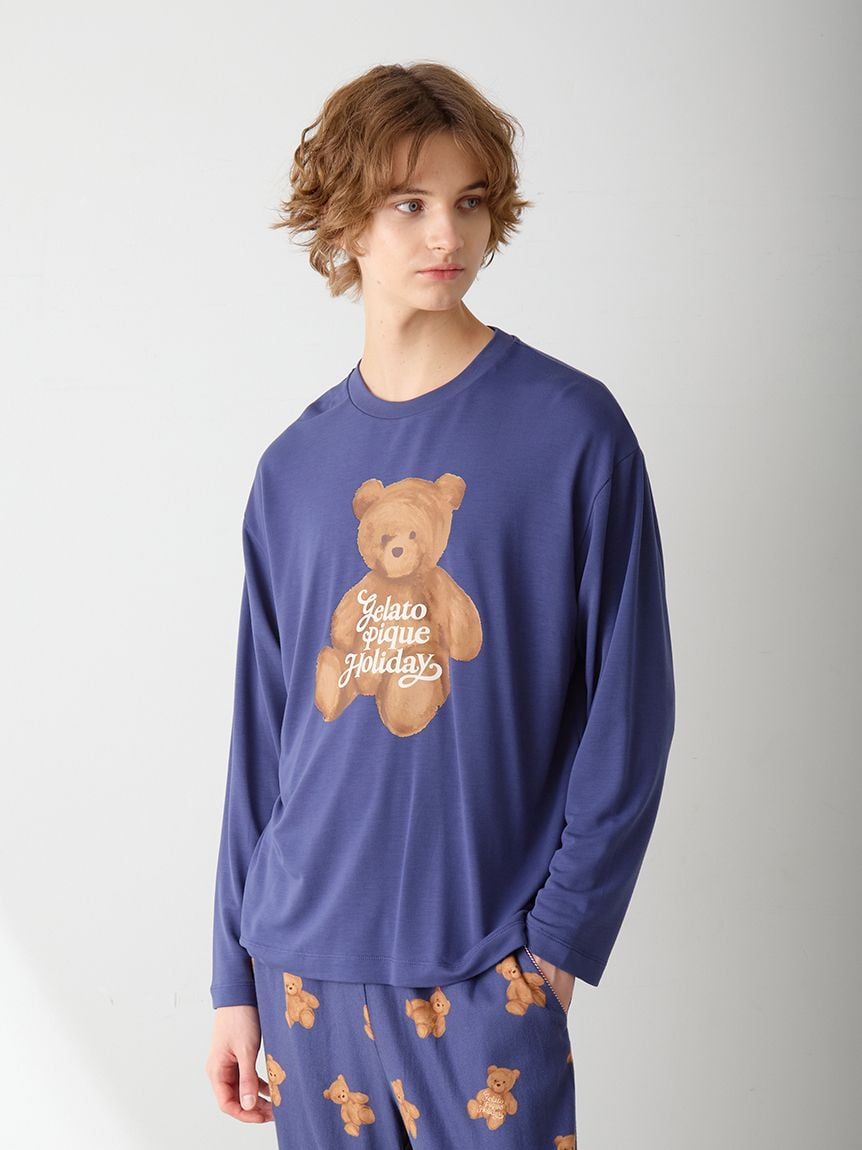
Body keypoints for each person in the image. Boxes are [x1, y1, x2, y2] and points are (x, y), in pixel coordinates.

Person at [204, 61, 675, 1149]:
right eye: (407, 203)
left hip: (486, 971)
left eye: (468, 202)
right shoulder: (294, 470)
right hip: (303, 970)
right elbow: (263, 740)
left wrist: (554, 951)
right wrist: (233, 973)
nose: (444, 234)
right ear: (343, 222)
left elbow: (629, 711)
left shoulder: (572, 432)